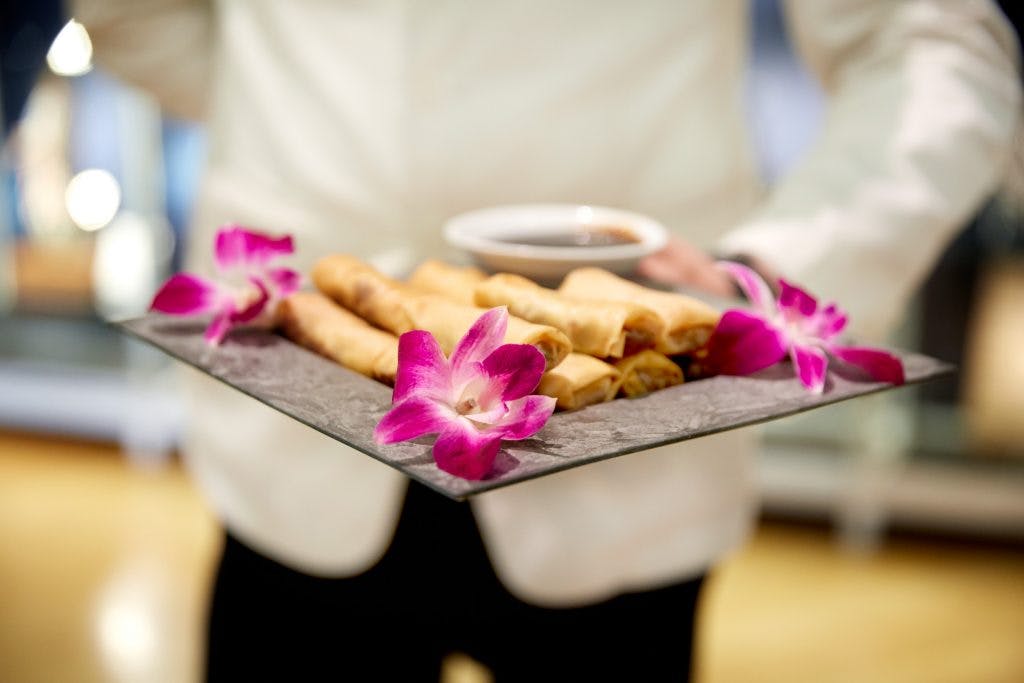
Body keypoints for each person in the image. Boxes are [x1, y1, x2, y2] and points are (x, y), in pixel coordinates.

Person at [76, 1, 1021, 680]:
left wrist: (776, 271)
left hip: (631, 426)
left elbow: (928, 43)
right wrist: (276, 114)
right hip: (296, 417)